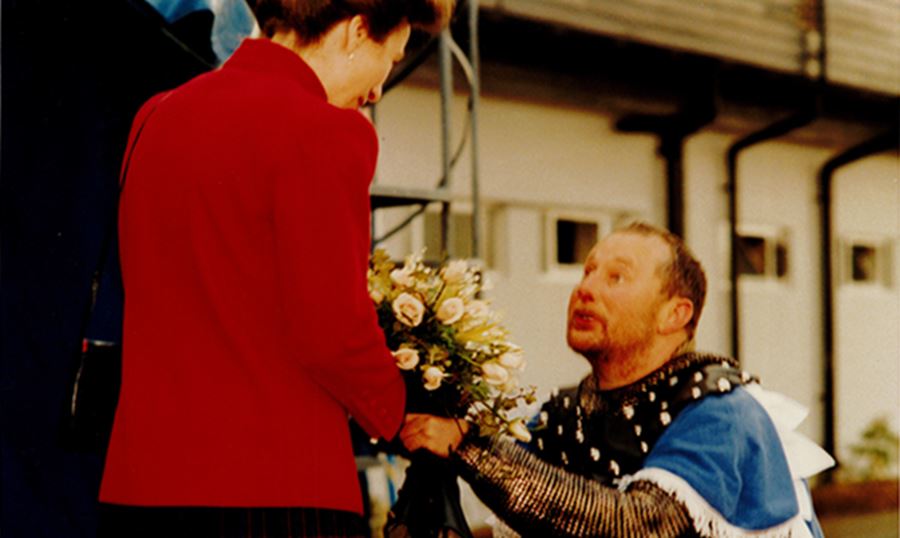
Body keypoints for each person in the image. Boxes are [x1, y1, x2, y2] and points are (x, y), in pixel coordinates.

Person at [99, 1, 452, 536]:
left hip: (141, 486)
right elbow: (331, 332)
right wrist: (405, 412)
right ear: (357, 31)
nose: (379, 90)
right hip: (275, 488)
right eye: (393, 58)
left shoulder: (155, 115)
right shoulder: (330, 132)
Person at [401, 222, 834, 537]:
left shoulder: (722, 411)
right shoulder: (565, 413)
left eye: (616, 277)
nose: (585, 289)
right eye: (588, 271)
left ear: (675, 314)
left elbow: (640, 525)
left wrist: (469, 446)